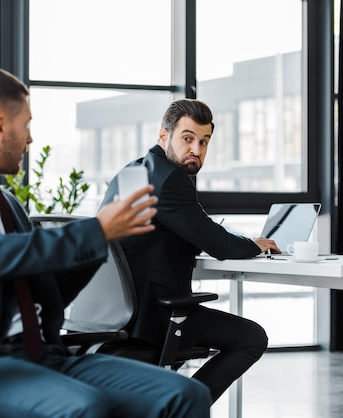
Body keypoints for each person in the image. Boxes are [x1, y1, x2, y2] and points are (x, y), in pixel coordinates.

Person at [0, 70, 212, 418]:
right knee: (84, 408)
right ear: (0, 126)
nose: (30, 139)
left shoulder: (8, 204)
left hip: (44, 355)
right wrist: (96, 230)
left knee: (187, 395)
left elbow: (48, 293)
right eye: (26, 125)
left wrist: (108, 239)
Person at [100, 98, 281, 402]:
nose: (196, 149)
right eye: (187, 138)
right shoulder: (171, 180)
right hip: (157, 315)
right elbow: (219, 245)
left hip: (118, 315)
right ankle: (184, 406)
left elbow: (155, 234)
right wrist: (255, 244)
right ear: (163, 136)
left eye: (204, 141)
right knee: (251, 339)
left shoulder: (133, 172)